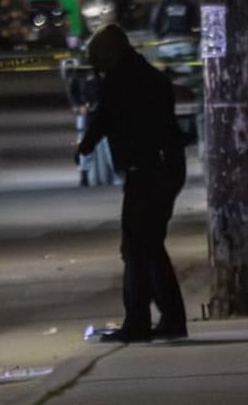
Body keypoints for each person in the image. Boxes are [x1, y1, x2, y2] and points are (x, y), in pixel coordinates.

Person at [76, 23, 188, 343]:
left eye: (97, 61)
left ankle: (139, 321)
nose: (96, 69)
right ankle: (170, 317)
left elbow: (104, 118)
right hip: (164, 167)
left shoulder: (122, 80)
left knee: (137, 248)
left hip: (148, 170)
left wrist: (84, 147)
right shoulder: (147, 74)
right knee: (149, 246)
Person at [61, 56, 120, 187]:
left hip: (107, 114)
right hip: (90, 114)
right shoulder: (82, 72)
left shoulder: (111, 72)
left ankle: (117, 173)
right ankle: (84, 174)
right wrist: (80, 104)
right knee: (87, 144)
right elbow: (73, 90)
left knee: (110, 146)